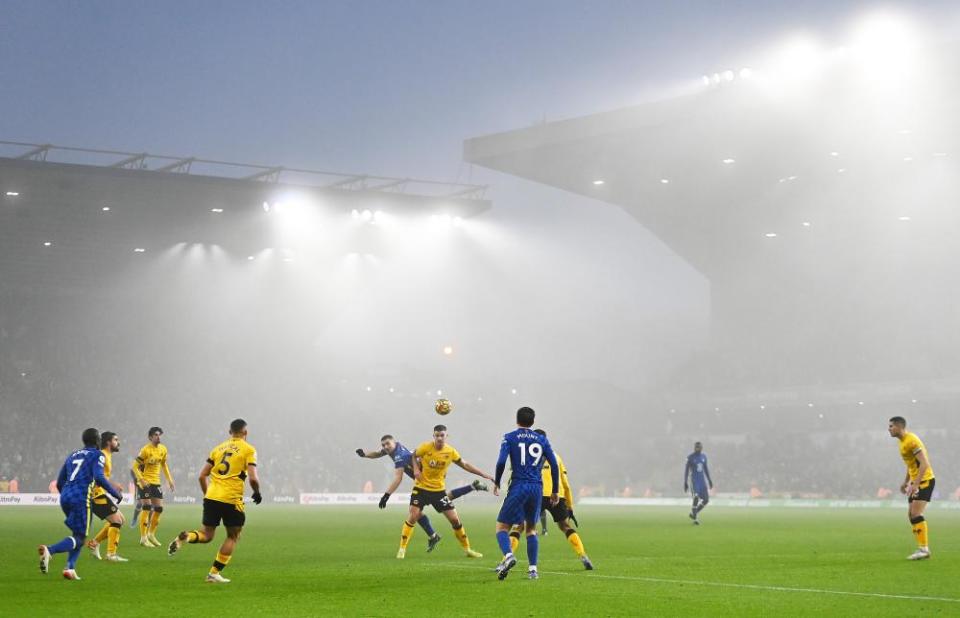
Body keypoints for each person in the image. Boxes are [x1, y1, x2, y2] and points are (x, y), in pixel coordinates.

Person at [357, 434, 488, 552]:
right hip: (425, 480)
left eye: (387, 444)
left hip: (429, 479)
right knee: (421, 509)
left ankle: (471, 487)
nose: (385, 447)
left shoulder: (399, 456)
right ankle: (434, 535)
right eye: (383, 445)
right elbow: (378, 453)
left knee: (418, 510)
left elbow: (398, 478)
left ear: (394, 443)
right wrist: (365, 454)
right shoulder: (393, 449)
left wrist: (386, 495)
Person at [167, 418, 261, 583]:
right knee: (233, 536)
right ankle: (213, 573)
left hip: (212, 496)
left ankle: (187, 536)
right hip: (231, 499)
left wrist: (207, 495)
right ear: (246, 432)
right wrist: (257, 492)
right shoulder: (249, 450)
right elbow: (253, 478)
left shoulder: (217, 449)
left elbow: (202, 475)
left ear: (229, 432)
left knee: (206, 534)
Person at [37, 428, 124, 580]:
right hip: (82, 497)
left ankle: (70, 568)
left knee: (78, 534)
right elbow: (99, 477)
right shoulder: (98, 454)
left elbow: (59, 482)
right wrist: (115, 493)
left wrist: (68, 493)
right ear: (98, 441)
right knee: (80, 538)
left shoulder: (72, 455)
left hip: (65, 496)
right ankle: (50, 550)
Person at [395, 425, 493, 559]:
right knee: (413, 515)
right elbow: (413, 455)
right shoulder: (425, 447)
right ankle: (402, 549)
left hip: (439, 491)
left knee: (454, 519)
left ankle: (468, 550)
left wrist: (482, 474)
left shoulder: (451, 451)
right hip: (421, 488)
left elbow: (464, 464)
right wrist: (416, 469)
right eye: (437, 435)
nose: (439, 438)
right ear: (433, 436)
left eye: (442, 435)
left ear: (446, 436)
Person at [508, 429, 592, 570]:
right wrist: (570, 505)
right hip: (556, 496)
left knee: (519, 527)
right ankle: (583, 555)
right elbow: (566, 484)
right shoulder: (556, 457)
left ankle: (506, 559)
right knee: (566, 527)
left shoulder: (526, 458)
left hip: (535, 495)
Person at [493, 407, 559, 580]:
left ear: (517, 419)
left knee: (502, 527)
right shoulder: (542, 440)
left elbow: (501, 462)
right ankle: (533, 569)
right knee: (531, 529)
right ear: (533, 421)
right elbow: (554, 464)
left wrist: (497, 481)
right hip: (536, 487)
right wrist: (555, 491)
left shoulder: (509, 437)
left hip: (519, 485)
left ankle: (508, 556)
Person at [888, 416, 936, 560]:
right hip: (916, 481)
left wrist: (915, 484)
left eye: (891, 426)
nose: (888, 429)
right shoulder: (902, 442)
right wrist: (906, 482)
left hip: (925, 481)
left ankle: (924, 549)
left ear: (899, 426)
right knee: (911, 515)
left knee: (916, 514)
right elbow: (912, 465)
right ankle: (922, 548)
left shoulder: (911, 441)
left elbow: (924, 463)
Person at [86, 431, 129, 562]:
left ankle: (94, 543)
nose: (118, 442)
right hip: (96, 495)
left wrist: (114, 485)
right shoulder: (103, 455)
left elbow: (103, 476)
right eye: (116, 440)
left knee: (121, 520)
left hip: (100, 493)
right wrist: (113, 491)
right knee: (116, 521)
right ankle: (111, 555)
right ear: (108, 442)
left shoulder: (107, 456)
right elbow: (97, 477)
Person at [131, 426, 174, 547]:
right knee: (147, 507)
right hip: (145, 482)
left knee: (159, 508)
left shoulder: (163, 449)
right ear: (150, 437)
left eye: (160, 434)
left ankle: (151, 534)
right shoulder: (145, 450)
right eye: (156, 434)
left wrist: (169, 480)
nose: (158, 436)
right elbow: (134, 466)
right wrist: (141, 479)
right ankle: (143, 538)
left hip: (156, 482)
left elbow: (164, 465)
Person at [684, 441, 714, 525]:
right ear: (694, 448)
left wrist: (709, 480)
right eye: (696, 447)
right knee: (696, 497)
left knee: (706, 500)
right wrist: (685, 482)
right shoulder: (690, 457)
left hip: (702, 481)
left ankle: (694, 513)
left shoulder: (704, 457)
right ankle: (695, 519)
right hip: (694, 481)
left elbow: (706, 469)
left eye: (699, 447)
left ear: (701, 448)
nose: (698, 449)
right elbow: (686, 470)